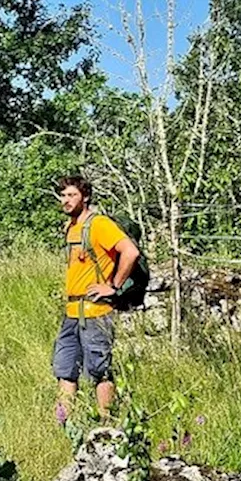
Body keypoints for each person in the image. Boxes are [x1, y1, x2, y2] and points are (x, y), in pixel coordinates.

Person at [54, 175, 140, 416]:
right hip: (72, 312)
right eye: (63, 196)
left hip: (96, 312)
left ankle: (107, 425)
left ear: (86, 197)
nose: (66, 201)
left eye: (72, 195)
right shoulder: (71, 228)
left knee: (99, 371)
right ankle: (64, 426)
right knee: (65, 370)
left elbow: (130, 252)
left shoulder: (99, 224)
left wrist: (113, 286)